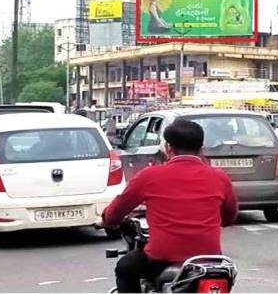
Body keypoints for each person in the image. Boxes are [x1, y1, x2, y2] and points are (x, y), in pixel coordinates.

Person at [98, 120, 238, 293]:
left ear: (168, 148)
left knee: (125, 268)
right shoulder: (220, 178)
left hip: (160, 259)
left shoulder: (150, 176)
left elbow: (115, 213)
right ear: (201, 149)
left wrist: (105, 220)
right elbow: (229, 217)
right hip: (208, 261)